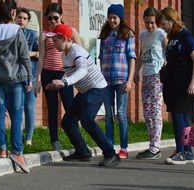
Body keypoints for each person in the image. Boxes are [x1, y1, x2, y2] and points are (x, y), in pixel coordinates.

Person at [45, 24, 120, 166]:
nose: (52, 42)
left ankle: (111, 155)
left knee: (87, 119)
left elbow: (82, 71)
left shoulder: (77, 52)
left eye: (55, 40)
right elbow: (72, 73)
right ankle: (83, 152)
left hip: (97, 89)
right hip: (86, 91)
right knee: (67, 122)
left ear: (65, 39)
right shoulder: (64, 54)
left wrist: (65, 83)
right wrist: (58, 83)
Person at [0, 0, 32, 173]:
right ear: (12, 12)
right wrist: (30, 77)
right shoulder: (16, 30)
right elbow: (24, 56)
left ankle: (2, 150)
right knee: (17, 114)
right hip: (15, 78)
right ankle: (17, 151)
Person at [36, 2, 82, 150]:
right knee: (52, 108)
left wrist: (78, 76)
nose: (52, 21)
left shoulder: (71, 31)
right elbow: (41, 57)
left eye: (55, 18)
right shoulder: (44, 34)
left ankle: (76, 141)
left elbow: (80, 53)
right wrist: (37, 78)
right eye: (49, 18)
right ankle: (55, 141)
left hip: (65, 73)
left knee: (70, 107)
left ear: (61, 16)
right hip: (48, 73)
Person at [157, 7, 194, 165]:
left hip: (185, 84)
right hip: (173, 84)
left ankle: (182, 151)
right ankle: (187, 152)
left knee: (178, 115)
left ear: (172, 20)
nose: (162, 27)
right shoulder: (171, 37)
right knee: (181, 117)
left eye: (163, 23)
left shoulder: (185, 35)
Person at [98, 4, 136, 159]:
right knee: (108, 115)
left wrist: (130, 80)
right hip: (106, 80)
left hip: (122, 79)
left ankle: (124, 148)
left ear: (120, 18)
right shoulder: (105, 34)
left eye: (115, 17)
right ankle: (109, 147)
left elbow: (131, 58)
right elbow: (100, 58)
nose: (112, 20)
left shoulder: (128, 34)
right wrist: (100, 78)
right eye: (110, 17)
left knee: (120, 113)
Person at [134, 7, 168, 160]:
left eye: (153, 22)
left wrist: (166, 67)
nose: (150, 26)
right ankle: (151, 145)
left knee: (155, 111)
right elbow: (141, 55)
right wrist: (136, 71)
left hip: (157, 75)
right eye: (147, 23)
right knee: (147, 113)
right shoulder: (142, 35)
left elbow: (168, 51)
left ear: (157, 22)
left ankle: (155, 147)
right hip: (146, 75)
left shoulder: (161, 34)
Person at [15, 7, 39, 146]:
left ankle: (29, 139)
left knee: (29, 108)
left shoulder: (33, 34)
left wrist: (30, 54)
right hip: (16, 76)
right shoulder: (11, 33)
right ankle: (18, 136)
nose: (21, 20)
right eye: (19, 17)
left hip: (31, 76)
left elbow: (40, 54)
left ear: (28, 22)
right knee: (17, 108)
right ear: (15, 18)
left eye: (24, 18)